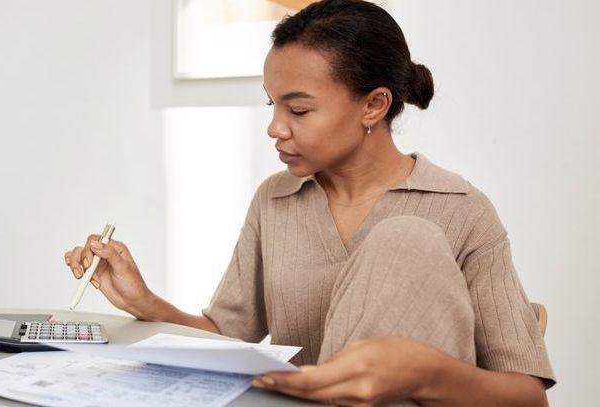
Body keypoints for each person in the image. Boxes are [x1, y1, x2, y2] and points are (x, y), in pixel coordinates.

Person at [64, 0, 555, 405]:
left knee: (407, 238)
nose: (275, 127)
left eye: (298, 109)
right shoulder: (275, 199)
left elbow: (528, 396)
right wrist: (142, 300)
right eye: (271, 105)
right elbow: (226, 337)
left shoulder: (461, 210)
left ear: (374, 105)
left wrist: (425, 373)